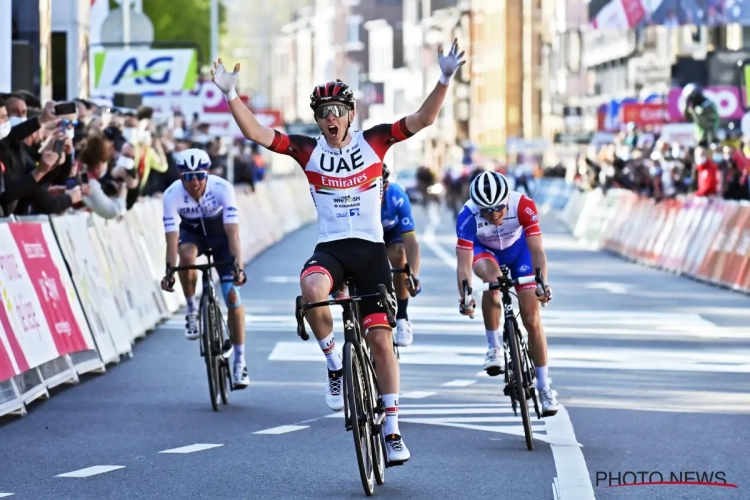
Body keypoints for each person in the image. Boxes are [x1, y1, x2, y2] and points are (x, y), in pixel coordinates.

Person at [211, 39, 465, 463]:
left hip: (369, 253)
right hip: (331, 248)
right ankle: (334, 365)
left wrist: (443, 78)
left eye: (337, 111)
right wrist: (231, 95)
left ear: (350, 114)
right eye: (322, 113)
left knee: (381, 340)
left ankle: (392, 428)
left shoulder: (375, 142)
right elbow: (256, 134)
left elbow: (422, 119)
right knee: (311, 286)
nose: (330, 118)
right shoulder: (307, 149)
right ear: (317, 119)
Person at [455, 171, 559, 417]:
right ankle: (494, 347)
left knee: (532, 319)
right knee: (491, 281)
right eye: (487, 211)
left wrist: (541, 283)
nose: (493, 215)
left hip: (519, 252)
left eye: (499, 209)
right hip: (485, 253)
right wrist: (465, 297)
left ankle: (544, 387)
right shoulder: (467, 215)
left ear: (507, 201)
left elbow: (538, 253)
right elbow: (463, 266)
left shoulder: (523, 204)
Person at [160, 148, 249, 388]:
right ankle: (191, 311)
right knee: (186, 254)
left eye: (200, 175)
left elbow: (233, 234)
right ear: (180, 177)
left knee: (232, 296)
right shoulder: (171, 195)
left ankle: (240, 362)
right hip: (193, 235)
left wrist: (238, 268)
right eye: (189, 177)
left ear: (207, 173)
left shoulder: (222, 189)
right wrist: (170, 271)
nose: (195, 182)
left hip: (221, 238)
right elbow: (171, 239)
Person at [380, 163, 421, 347]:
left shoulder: (397, 196)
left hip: (393, 231)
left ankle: (402, 318)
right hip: (368, 233)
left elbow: (411, 242)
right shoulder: (356, 196)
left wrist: (413, 275)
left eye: (382, 186)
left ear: (386, 185)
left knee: (399, 255)